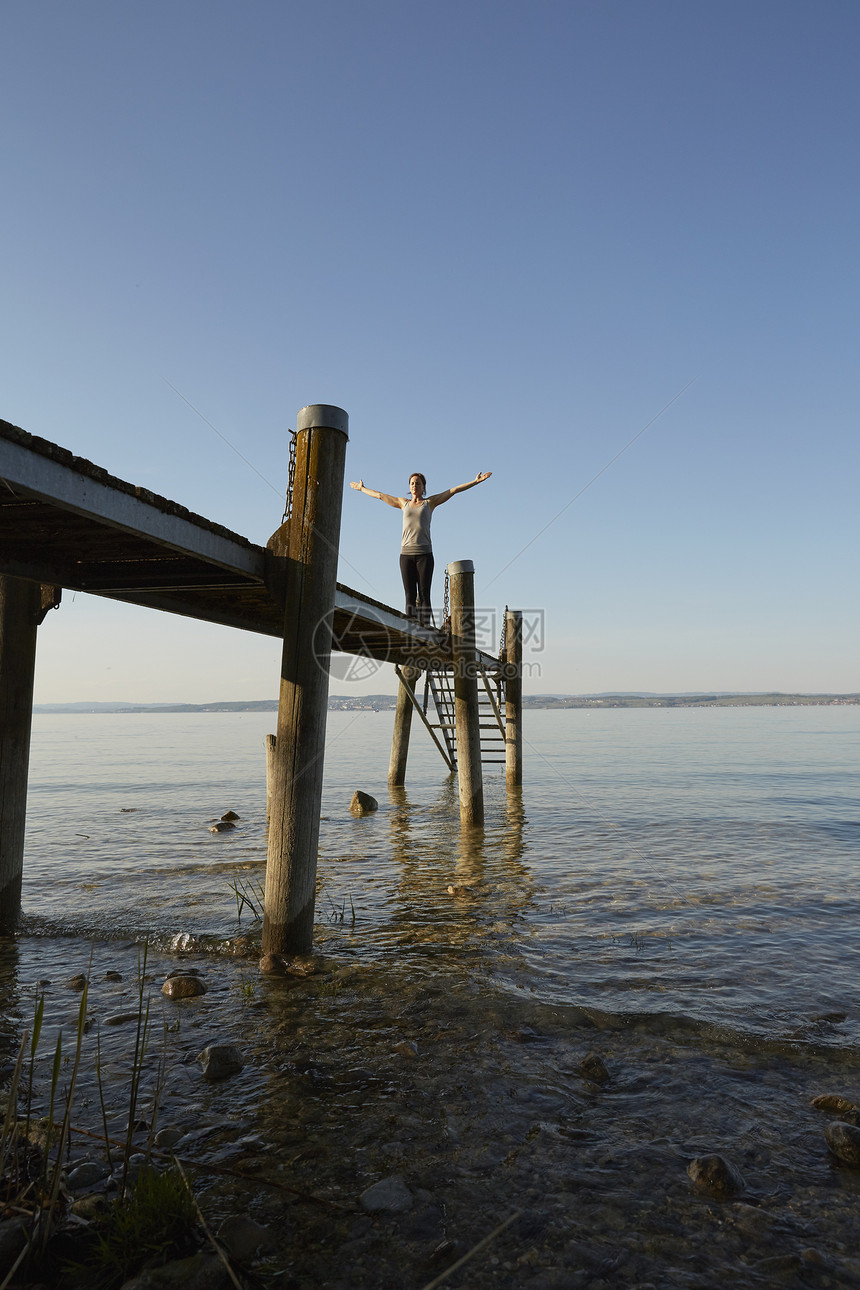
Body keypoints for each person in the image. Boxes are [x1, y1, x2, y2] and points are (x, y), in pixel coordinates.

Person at [350, 470, 492, 624]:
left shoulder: (429, 503)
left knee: (424, 593)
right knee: (409, 594)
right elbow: (380, 495)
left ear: (424, 487)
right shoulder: (402, 503)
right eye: (412, 483)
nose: (414, 485)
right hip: (405, 555)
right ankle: (411, 626)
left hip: (425, 555)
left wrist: (475, 481)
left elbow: (453, 491)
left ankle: (425, 628)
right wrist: (362, 488)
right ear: (409, 487)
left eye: (418, 483)